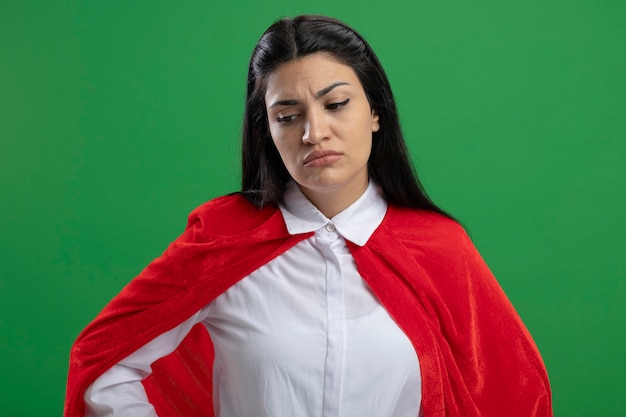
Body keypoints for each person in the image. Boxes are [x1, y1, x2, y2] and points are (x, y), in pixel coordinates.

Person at [64, 15, 553, 417]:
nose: (314, 132)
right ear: (268, 133)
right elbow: (104, 365)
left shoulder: (440, 248)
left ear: (376, 111)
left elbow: (512, 394)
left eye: (336, 104)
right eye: (287, 115)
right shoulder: (223, 240)